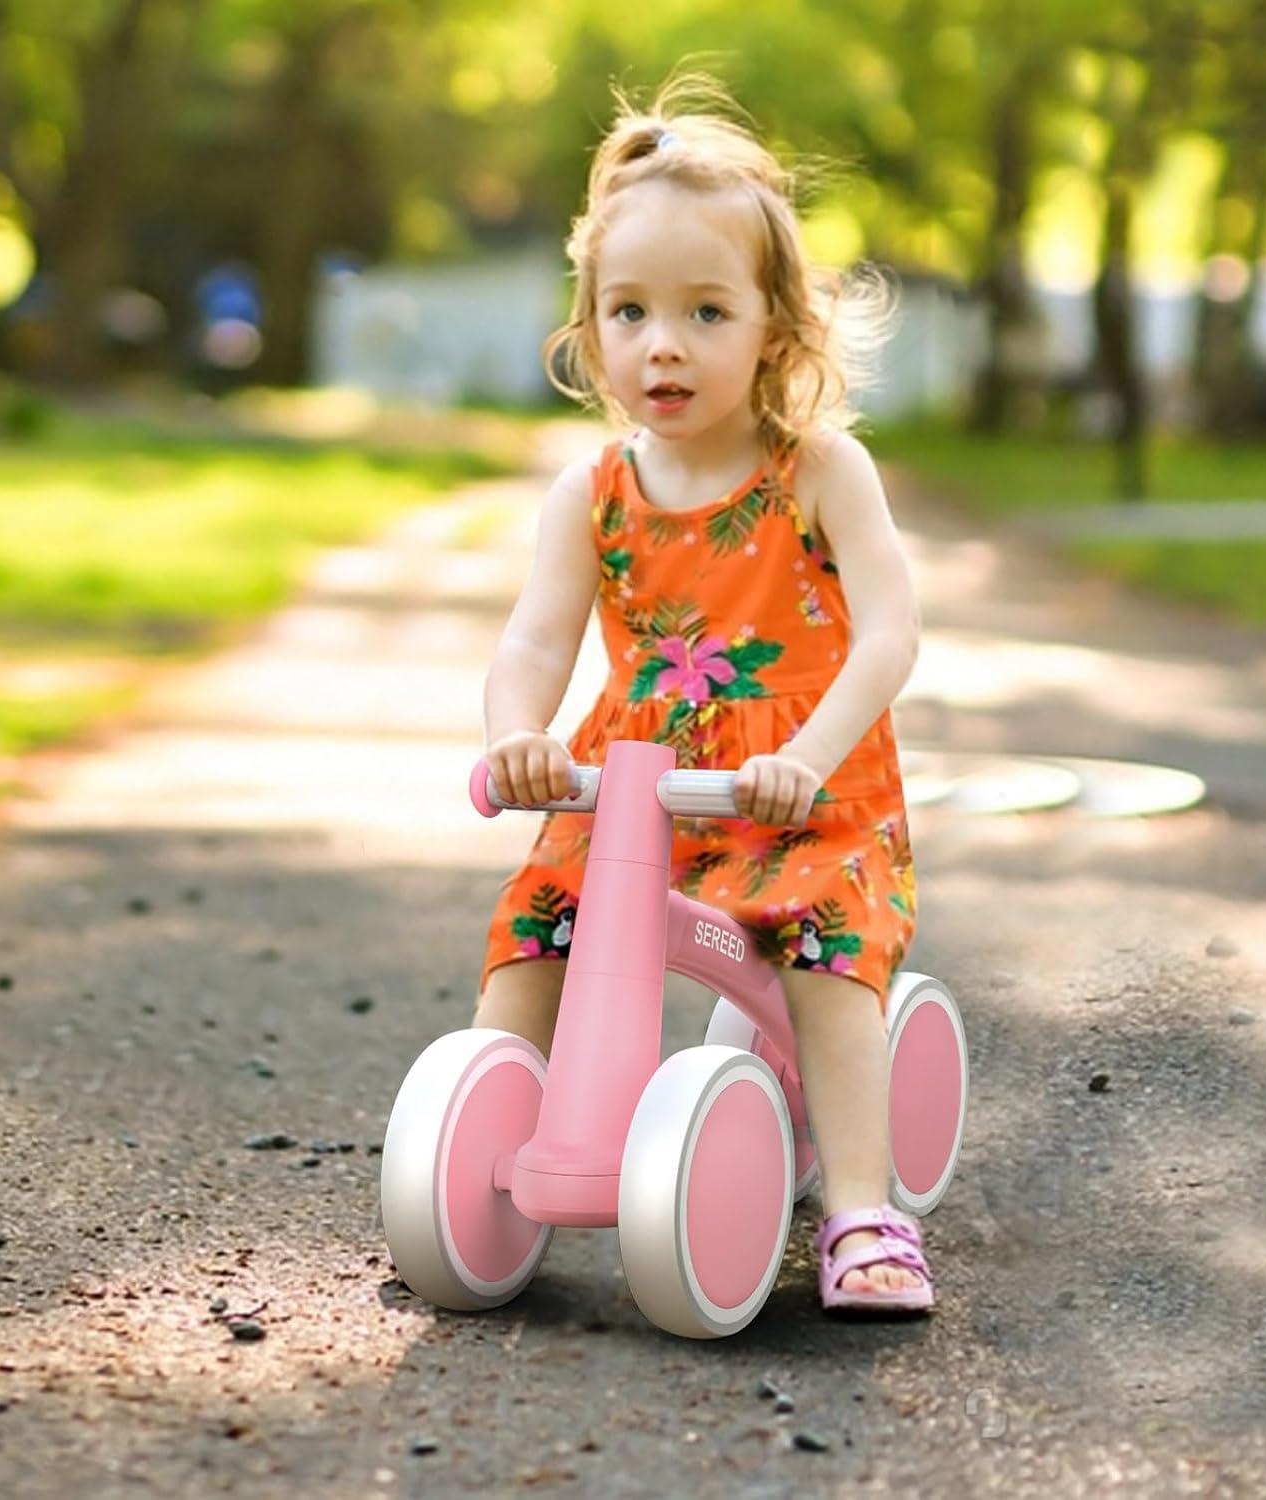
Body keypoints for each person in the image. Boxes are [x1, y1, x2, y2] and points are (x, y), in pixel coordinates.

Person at [475, 73, 931, 1315]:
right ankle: (492, 1123)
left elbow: (890, 633)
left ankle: (862, 1213)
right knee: (537, 924)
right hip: (635, 790)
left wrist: (816, 757)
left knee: (826, 947)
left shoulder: (817, 473)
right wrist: (515, 736)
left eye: (705, 311)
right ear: (591, 331)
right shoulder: (594, 495)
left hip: (800, 789)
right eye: (629, 312)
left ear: (775, 330)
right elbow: (533, 640)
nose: (661, 343)